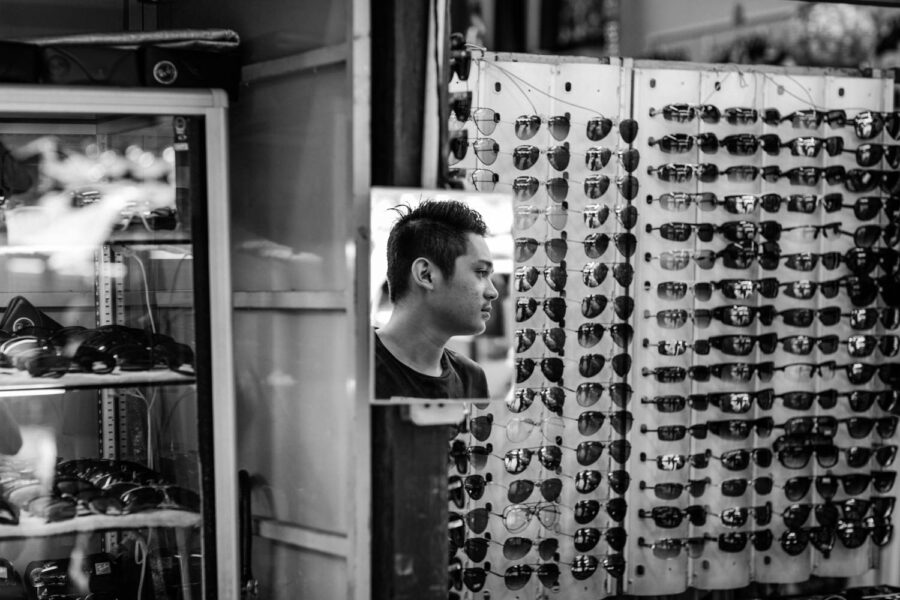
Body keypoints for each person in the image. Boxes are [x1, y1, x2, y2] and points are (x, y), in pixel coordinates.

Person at [374, 199, 499, 400]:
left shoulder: (471, 378)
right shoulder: (350, 363)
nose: (493, 292)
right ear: (426, 275)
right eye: (480, 272)